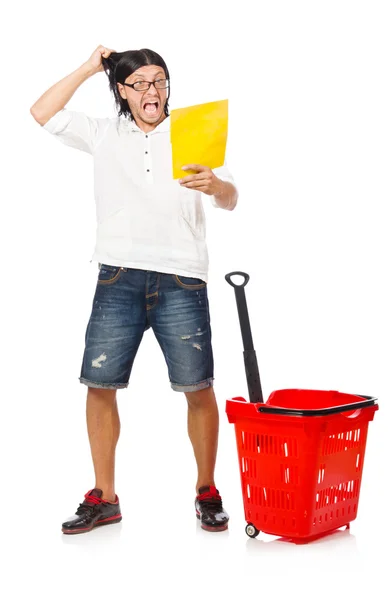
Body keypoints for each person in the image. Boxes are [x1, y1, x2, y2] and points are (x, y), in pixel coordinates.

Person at [30, 45, 238, 534]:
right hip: (117, 277)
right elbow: (42, 112)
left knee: (197, 386)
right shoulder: (103, 134)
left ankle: (206, 491)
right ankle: (105, 498)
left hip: (182, 277)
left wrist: (216, 187)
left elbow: (231, 196)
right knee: (99, 385)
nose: (153, 91)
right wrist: (86, 67)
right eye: (141, 83)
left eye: (160, 80)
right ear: (122, 91)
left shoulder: (192, 128)